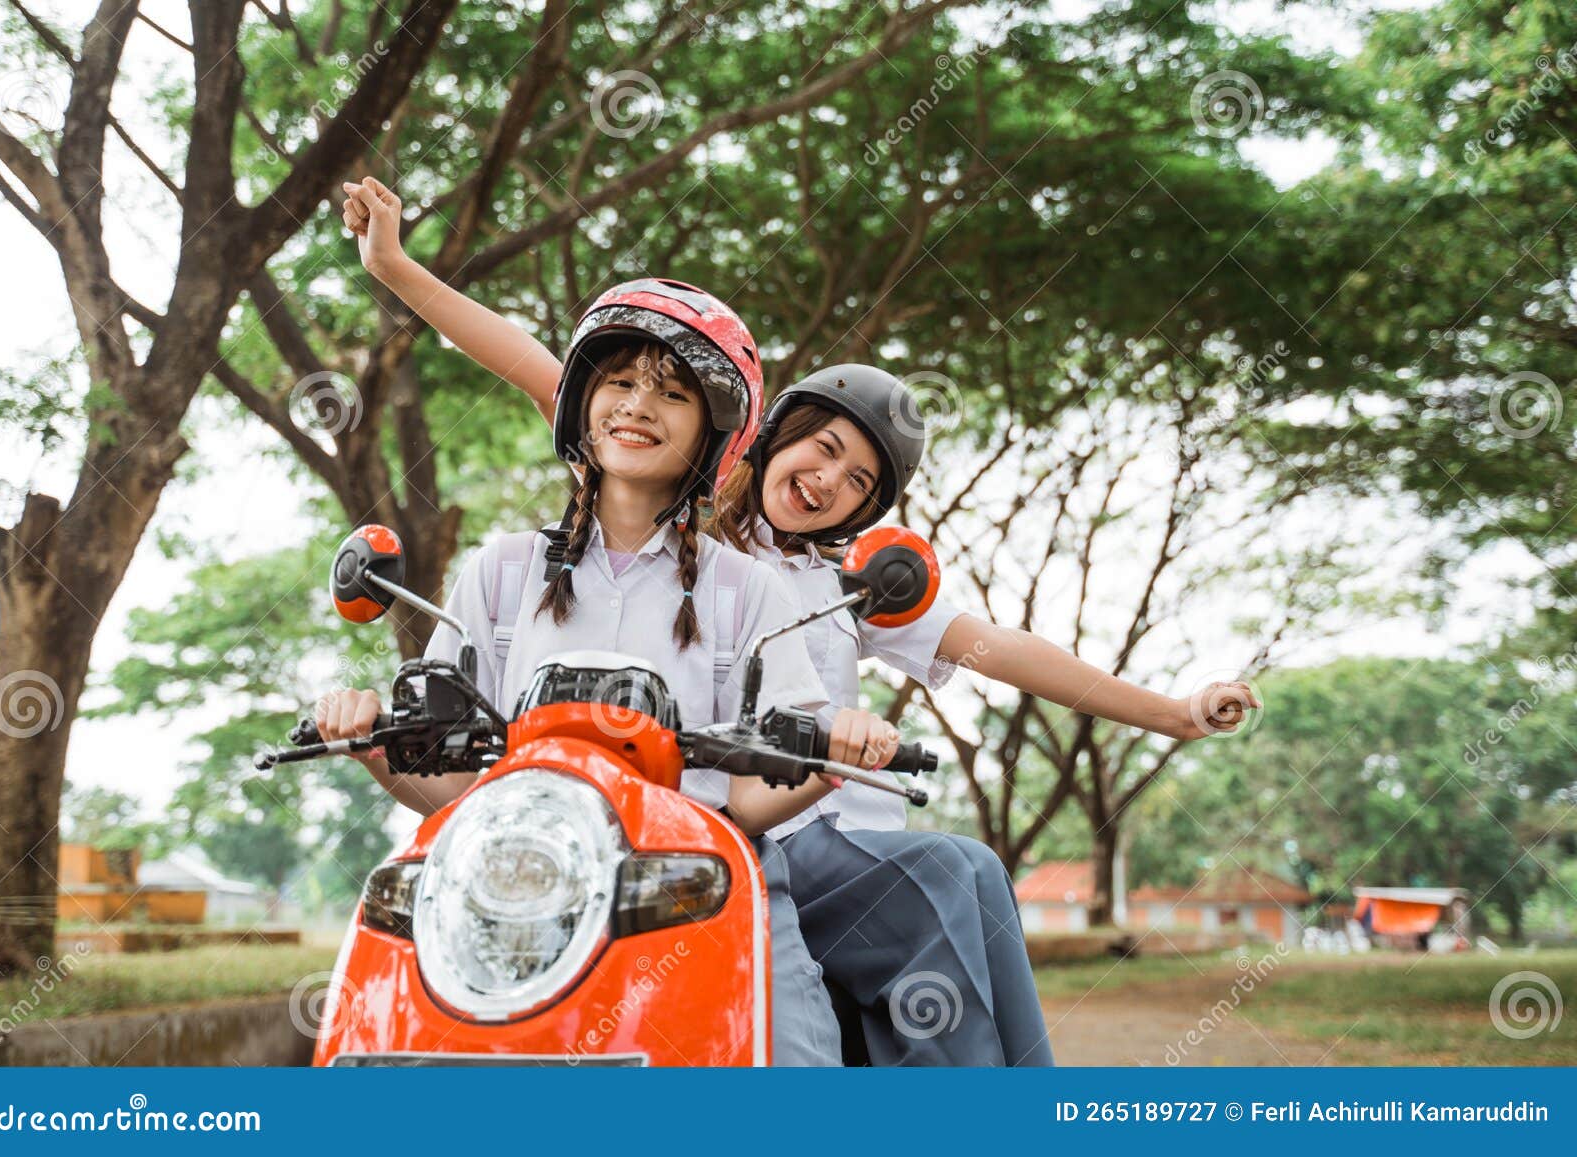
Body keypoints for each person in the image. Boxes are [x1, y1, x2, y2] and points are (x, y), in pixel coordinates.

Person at [334, 176, 1260, 1065]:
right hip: (572, 837)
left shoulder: (821, 580)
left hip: (771, 833)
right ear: (763, 435)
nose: (828, 481)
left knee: (958, 881)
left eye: (859, 481)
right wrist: (396, 270)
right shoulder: (570, 529)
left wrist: (1172, 712)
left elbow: (1001, 650)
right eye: (823, 448)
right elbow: (550, 363)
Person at [316, 281, 903, 1065]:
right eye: (620, 381)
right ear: (581, 404)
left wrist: (834, 753)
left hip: (703, 879)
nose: (637, 405)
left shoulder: (747, 588)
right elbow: (454, 794)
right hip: (518, 877)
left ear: (716, 431)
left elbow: (747, 800)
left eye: (670, 392)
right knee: (381, 1046)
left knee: (793, 1065)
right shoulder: (502, 571)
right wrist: (373, 745)